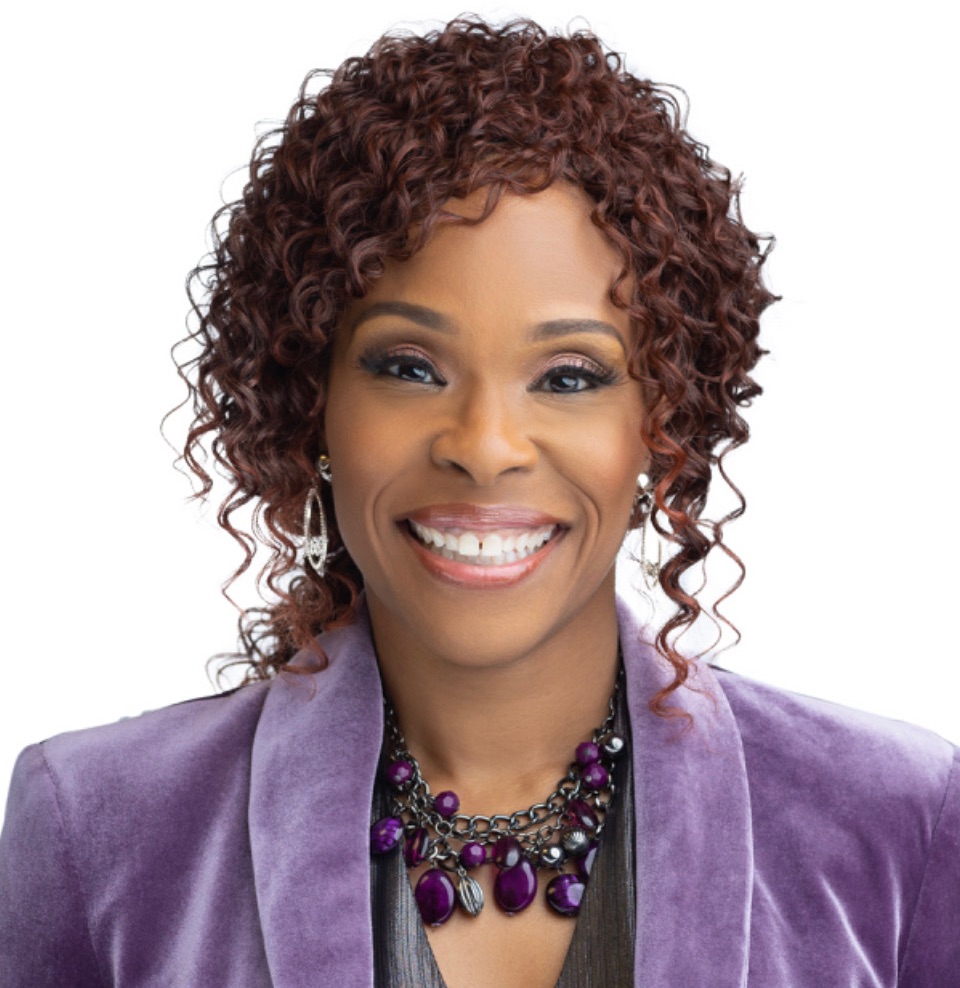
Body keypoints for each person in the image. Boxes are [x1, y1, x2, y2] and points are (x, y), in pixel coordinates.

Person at [1, 17, 957, 988]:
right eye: (409, 366)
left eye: (570, 376)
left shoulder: (895, 823)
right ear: (309, 399)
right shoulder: (99, 831)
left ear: (663, 421)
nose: (485, 446)